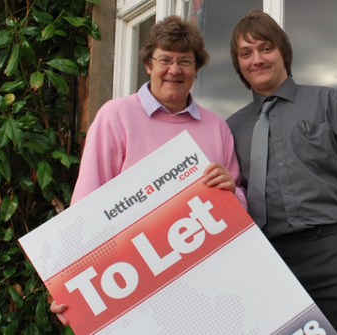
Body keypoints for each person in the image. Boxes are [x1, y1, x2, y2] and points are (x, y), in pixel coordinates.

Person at [50, 15, 246, 325]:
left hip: (200, 279)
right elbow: (87, 203)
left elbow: (237, 203)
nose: (174, 70)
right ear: (148, 64)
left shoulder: (216, 127)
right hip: (131, 277)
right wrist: (71, 283)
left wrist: (232, 191)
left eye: (185, 61)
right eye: (164, 59)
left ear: (196, 69)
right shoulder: (116, 115)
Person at [226, 10, 337, 335]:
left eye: (265, 48)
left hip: (336, 253)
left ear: (283, 52)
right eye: (246, 53)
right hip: (270, 264)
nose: (256, 59)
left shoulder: (330, 103)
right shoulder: (231, 129)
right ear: (238, 65)